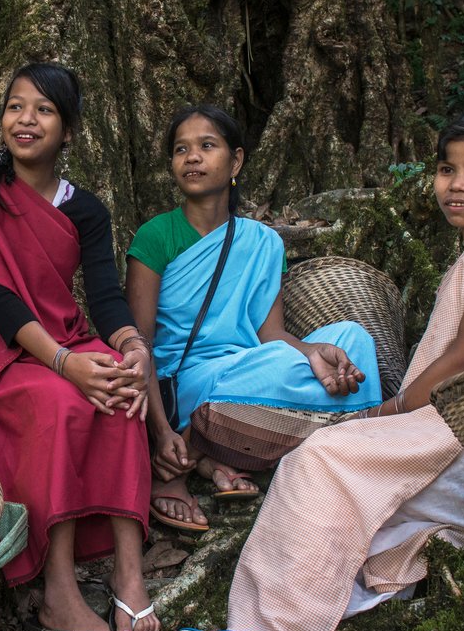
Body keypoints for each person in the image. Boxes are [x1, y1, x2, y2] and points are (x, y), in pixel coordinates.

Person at [153, 111, 464, 631]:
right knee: (337, 475)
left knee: (323, 457)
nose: (458, 184)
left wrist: (391, 412)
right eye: (446, 170)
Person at [0, 62, 160, 631]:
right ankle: (59, 591)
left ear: (68, 130)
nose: (26, 119)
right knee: (66, 401)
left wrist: (131, 348)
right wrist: (67, 365)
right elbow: (1, 303)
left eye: (43, 109)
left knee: (119, 391)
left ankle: (128, 572)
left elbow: (105, 294)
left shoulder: (84, 209)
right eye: (15, 106)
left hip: (64, 339)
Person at [125, 104, 381, 532]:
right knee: (276, 370)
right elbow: (139, 343)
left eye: (207, 146)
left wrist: (314, 351)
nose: (192, 157)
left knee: (351, 340)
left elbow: (272, 335)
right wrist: (159, 431)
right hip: (190, 380)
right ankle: (187, 455)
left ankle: (216, 453)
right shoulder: (155, 236)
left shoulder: (263, 242)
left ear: (236, 160)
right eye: (180, 149)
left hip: (256, 372)